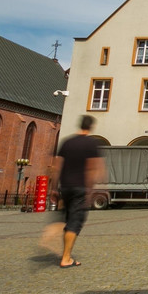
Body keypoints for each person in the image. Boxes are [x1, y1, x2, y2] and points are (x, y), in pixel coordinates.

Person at [49, 115, 104, 268]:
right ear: (91, 127)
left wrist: (53, 188)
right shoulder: (91, 144)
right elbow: (92, 168)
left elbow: (56, 166)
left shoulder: (67, 142)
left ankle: (66, 253)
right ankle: (66, 258)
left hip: (65, 187)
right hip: (80, 187)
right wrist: (90, 189)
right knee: (75, 221)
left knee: (68, 219)